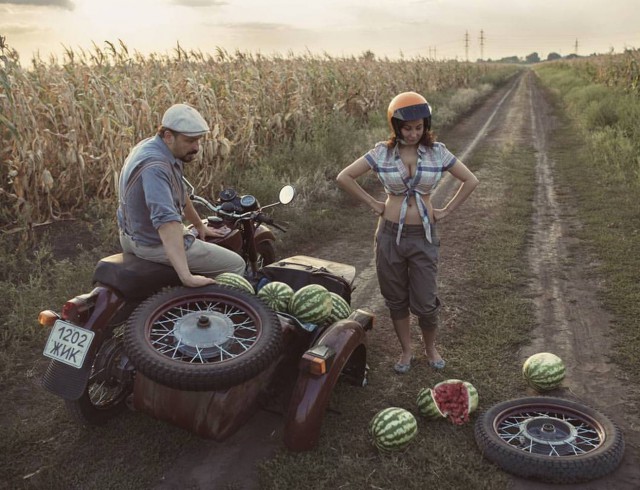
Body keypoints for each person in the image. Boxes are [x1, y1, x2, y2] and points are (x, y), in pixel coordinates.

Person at [337, 91, 479, 374]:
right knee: (396, 297)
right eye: (407, 128)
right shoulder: (382, 152)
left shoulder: (438, 151)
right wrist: (375, 204)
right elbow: (344, 177)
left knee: (426, 302)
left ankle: (430, 348)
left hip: (423, 236)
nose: (414, 133)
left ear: (425, 125)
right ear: (395, 126)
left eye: (419, 127)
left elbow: (470, 180)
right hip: (389, 235)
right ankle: (406, 350)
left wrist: (445, 211)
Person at [117, 103, 245, 287]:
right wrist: (187, 277)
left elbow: (178, 192)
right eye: (190, 141)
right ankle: (221, 311)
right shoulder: (156, 167)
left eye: (198, 140)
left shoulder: (152, 147)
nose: (196, 147)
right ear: (168, 136)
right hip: (151, 243)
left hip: (131, 234)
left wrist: (199, 224)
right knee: (235, 264)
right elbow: (166, 222)